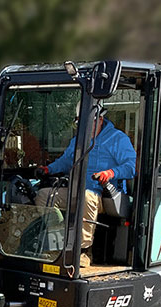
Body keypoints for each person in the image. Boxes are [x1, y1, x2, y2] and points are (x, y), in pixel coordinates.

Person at [35, 106, 136, 268]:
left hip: (105, 194)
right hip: (76, 190)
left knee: (86, 196)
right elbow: (66, 161)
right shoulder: (78, 140)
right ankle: (58, 243)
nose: (84, 128)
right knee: (44, 196)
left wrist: (110, 172)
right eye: (80, 123)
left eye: (88, 123)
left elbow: (130, 167)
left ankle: (83, 250)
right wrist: (49, 169)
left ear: (100, 120)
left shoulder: (118, 139)